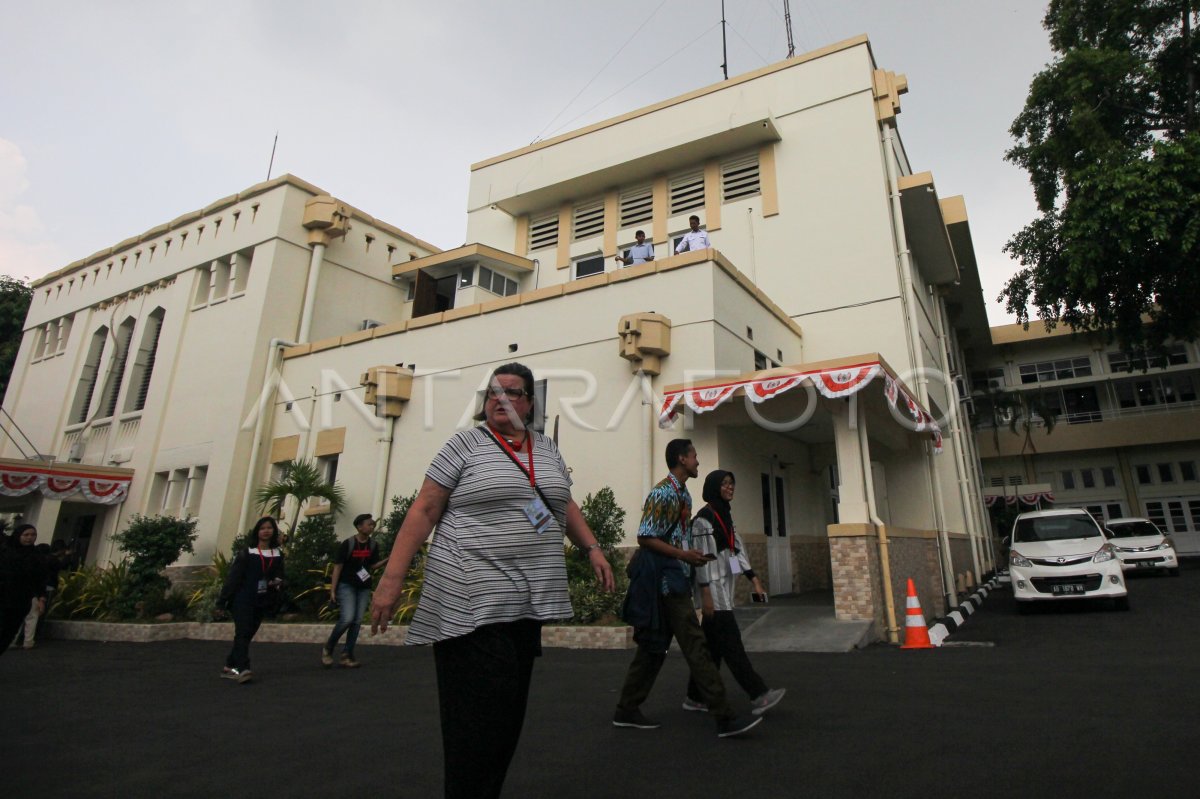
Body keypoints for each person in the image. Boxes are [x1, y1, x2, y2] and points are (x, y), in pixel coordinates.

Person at [371, 362, 614, 799]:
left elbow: (564, 502)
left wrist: (592, 548)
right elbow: (424, 509)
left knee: (505, 719)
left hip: (525, 604)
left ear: (530, 403)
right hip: (470, 600)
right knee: (476, 722)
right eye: (492, 393)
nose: (500, 400)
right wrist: (391, 580)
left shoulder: (546, 449)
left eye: (511, 392)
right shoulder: (464, 444)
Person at [613, 440, 763, 738]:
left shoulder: (685, 495)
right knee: (696, 645)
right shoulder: (663, 492)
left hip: (678, 576)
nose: (698, 461)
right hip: (665, 582)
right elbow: (645, 536)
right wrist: (684, 557)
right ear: (682, 459)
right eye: (694, 456)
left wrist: (692, 559)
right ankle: (724, 716)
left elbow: (680, 539)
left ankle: (626, 708)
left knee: (653, 650)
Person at [684, 470, 786, 715]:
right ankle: (758, 694)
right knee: (732, 645)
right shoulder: (703, 520)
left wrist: (754, 580)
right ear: (713, 488)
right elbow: (702, 560)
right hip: (712, 593)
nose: (730, 487)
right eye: (725, 484)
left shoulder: (726, 517)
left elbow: (736, 549)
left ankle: (694, 696)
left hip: (723, 590)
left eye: (732, 483)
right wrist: (706, 595)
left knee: (712, 649)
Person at [217, 516, 285, 683]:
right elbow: (234, 578)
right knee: (243, 631)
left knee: (247, 634)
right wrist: (222, 601)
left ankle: (229, 667)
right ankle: (243, 668)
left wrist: (277, 581)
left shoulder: (277, 554)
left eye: (269, 528)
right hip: (243, 598)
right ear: (257, 532)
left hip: (262, 599)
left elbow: (281, 574)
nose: (266, 531)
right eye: (262, 528)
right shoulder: (247, 553)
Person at [322, 512, 387, 668]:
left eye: (373, 524)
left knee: (357, 621)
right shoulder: (348, 544)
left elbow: (372, 565)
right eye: (368, 524)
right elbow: (338, 567)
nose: (372, 526)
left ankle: (347, 654)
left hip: (363, 586)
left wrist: (388, 560)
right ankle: (329, 647)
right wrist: (333, 589)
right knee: (347, 618)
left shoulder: (373, 545)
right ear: (359, 526)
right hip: (347, 585)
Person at [0, 525, 46, 656]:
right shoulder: (5, 552)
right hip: (2, 597)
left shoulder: (36, 556)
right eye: (26, 535)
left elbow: (40, 579)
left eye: (33, 535)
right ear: (18, 536)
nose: (30, 538)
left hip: (21, 600)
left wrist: (41, 598)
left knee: (8, 634)